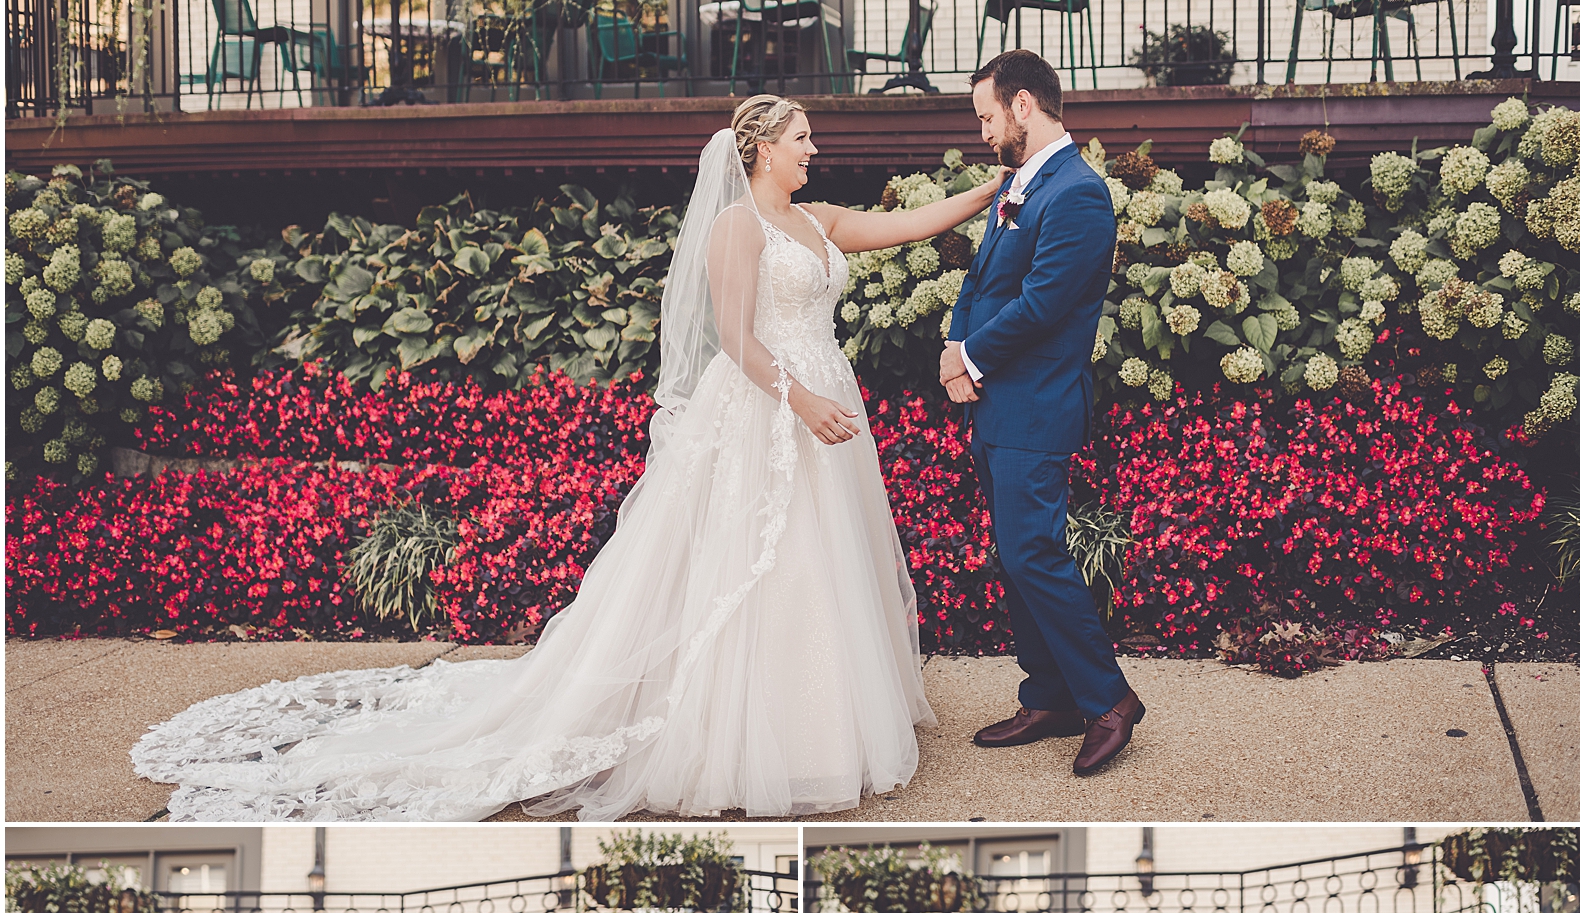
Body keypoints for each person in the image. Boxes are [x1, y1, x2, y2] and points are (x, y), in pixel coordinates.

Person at [131, 96, 1001, 821]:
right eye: (803, 137)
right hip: (770, 409)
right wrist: (801, 400)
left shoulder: (817, 221)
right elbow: (733, 337)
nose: (816, 148)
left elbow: (910, 223)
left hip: (825, 410)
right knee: (753, 565)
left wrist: (992, 191)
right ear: (764, 147)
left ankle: (822, 720)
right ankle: (740, 732)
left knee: (821, 566)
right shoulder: (737, 228)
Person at [942, 49, 1142, 776]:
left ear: (1024, 105)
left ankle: (1109, 699)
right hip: (1000, 403)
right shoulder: (1020, 183)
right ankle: (1050, 694)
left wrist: (972, 358)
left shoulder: (1078, 193)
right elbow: (983, 274)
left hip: (1037, 404)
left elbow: (1044, 302)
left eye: (988, 116)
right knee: (1016, 555)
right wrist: (954, 340)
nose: (984, 130)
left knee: (1036, 552)